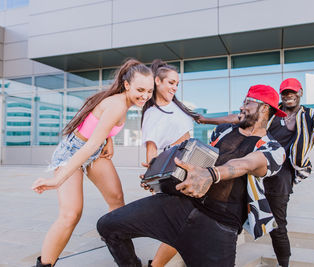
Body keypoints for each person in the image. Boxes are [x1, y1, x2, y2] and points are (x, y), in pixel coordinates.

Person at [97, 84, 287, 267]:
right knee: (108, 226)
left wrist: (211, 174)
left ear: (263, 108)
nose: (241, 106)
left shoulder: (273, 149)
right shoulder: (223, 131)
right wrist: (160, 173)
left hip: (220, 226)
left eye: (247, 102)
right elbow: (198, 161)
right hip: (182, 205)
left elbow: (245, 164)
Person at [197, 78, 314, 267]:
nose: (288, 96)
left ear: (300, 93)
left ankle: (283, 263)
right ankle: (220, 254)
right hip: (255, 169)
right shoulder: (270, 111)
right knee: (236, 211)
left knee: (278, 225)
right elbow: (237, 118)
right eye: (285, 92)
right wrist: (205, 120)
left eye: (292, 92)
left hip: (281, 177)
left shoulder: (309, 115)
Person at [31, 59, 154, 267]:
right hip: (73, 152)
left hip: (94, 151)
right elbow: (87, 147)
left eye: (149, 91)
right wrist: (58, 179)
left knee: (117, 201)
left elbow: (98, 125)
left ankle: (129, 262)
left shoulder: (123, 102)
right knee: (71, 215)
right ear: (127, 85)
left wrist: (109, 140)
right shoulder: (117, 104)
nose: (145, 96)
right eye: (140, 89)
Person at [141, 59, 199, 267]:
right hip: (173, 171)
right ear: (157, 81)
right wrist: (151, 176)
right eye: (171, 83)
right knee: (182, 224)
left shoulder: (177, 106)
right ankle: (156, 265)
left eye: (177, 84)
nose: (174, 87)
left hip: (191, 167)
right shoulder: (152, 113)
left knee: (188, 221)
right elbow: (151, 148)